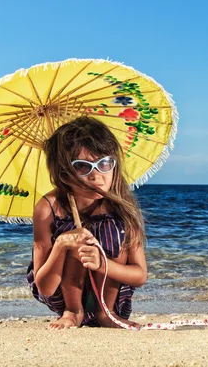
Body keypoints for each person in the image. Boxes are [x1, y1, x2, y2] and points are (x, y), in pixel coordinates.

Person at [26, 117, 147, 329]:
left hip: (111, 296)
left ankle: (105, 313)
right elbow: (45, 286)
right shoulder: (47, 209)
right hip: (62, 295)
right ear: (63, 174)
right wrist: (62, 244)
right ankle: (74, 312)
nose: (96, 175)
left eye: (104, 163)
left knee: (110, 233)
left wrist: (102, 264)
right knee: (76, 240)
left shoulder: (122, 209)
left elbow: (139, 275)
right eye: (83, 167)